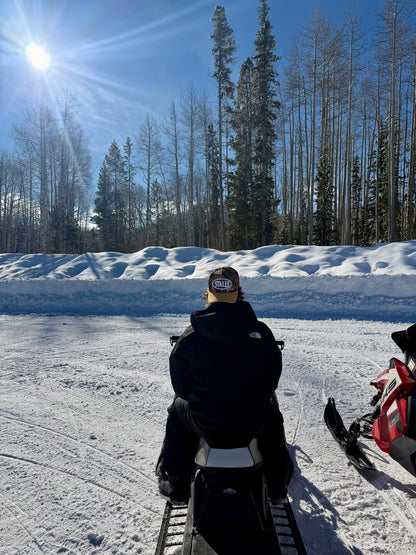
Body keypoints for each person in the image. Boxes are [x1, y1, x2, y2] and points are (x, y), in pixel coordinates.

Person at [156, 266, 292, 504]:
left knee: (176, 412)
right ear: (238, 294)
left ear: (208, 296)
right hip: (251, 419)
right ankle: (276, 487)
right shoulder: (260, 332)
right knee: (272, 414)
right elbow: (272, 381)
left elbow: (181, 387)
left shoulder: (191, 336)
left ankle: (176, 486)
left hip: (204, 420)